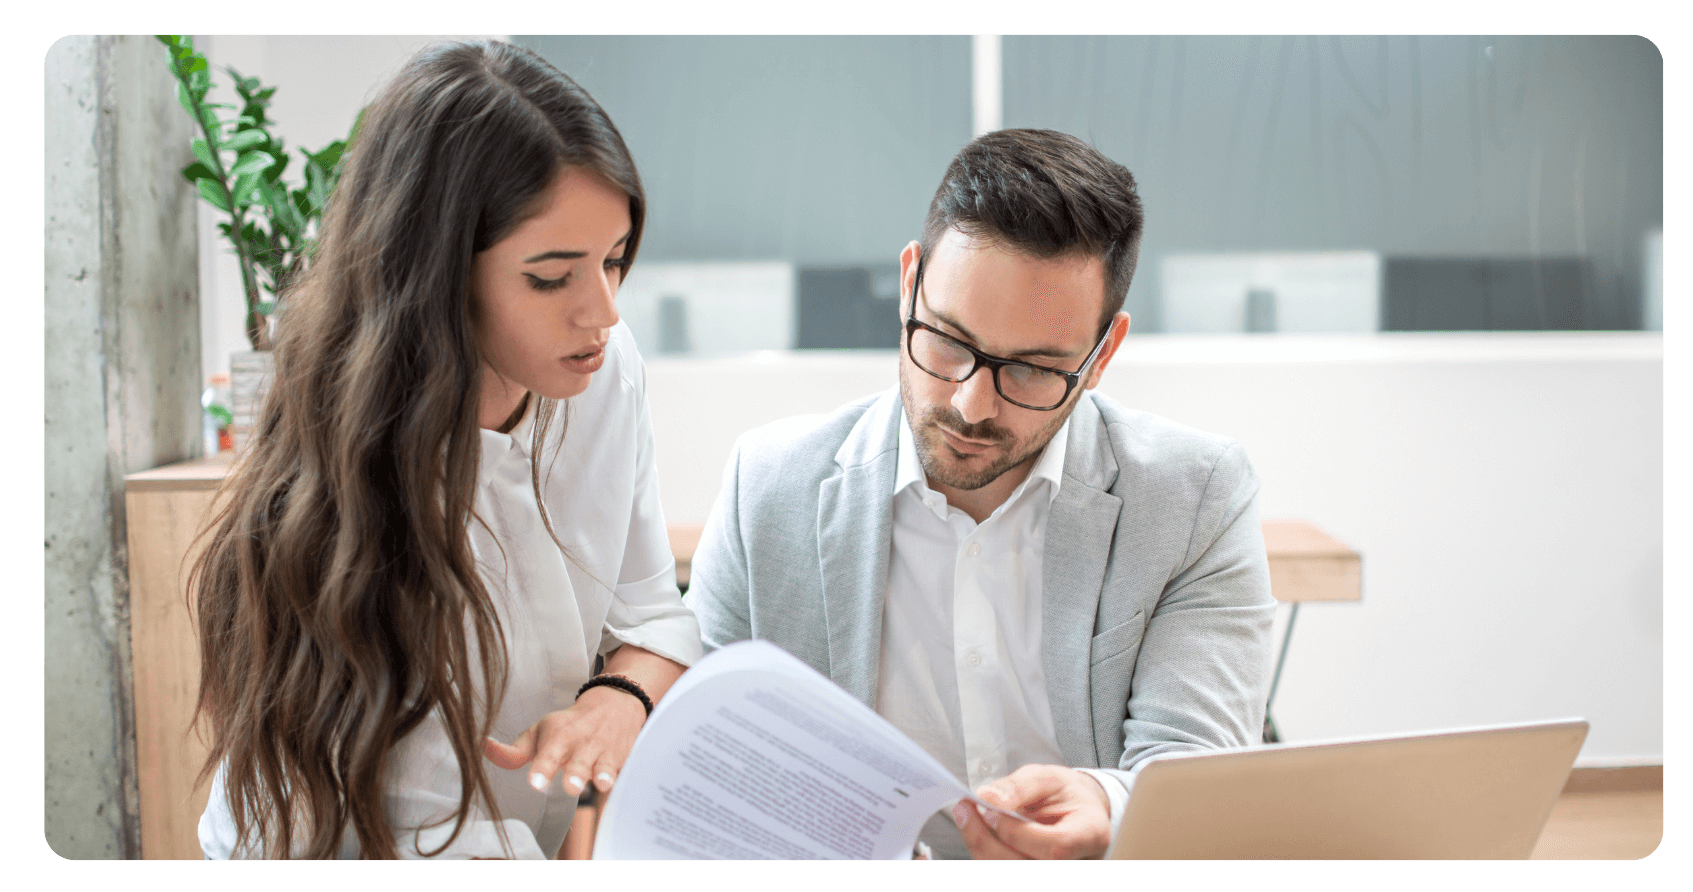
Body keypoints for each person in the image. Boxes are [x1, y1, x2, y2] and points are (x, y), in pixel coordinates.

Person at [686, 129, 1276, 860]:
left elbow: (1193, 771)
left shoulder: (1194, 499)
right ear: (909, 283)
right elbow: (701, 752)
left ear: (1102, 356)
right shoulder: (768, 485)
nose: (969, 404)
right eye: (945, 340)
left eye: (1031, 370)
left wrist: (1107, 803)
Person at [191, 40, 700, 859]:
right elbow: (401, 819)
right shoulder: (361, 476)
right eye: (550, 277)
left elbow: (650, 615)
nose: (601, 312)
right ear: (437, 275)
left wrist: (617, 700)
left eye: (614, 261)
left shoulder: (603, 375)